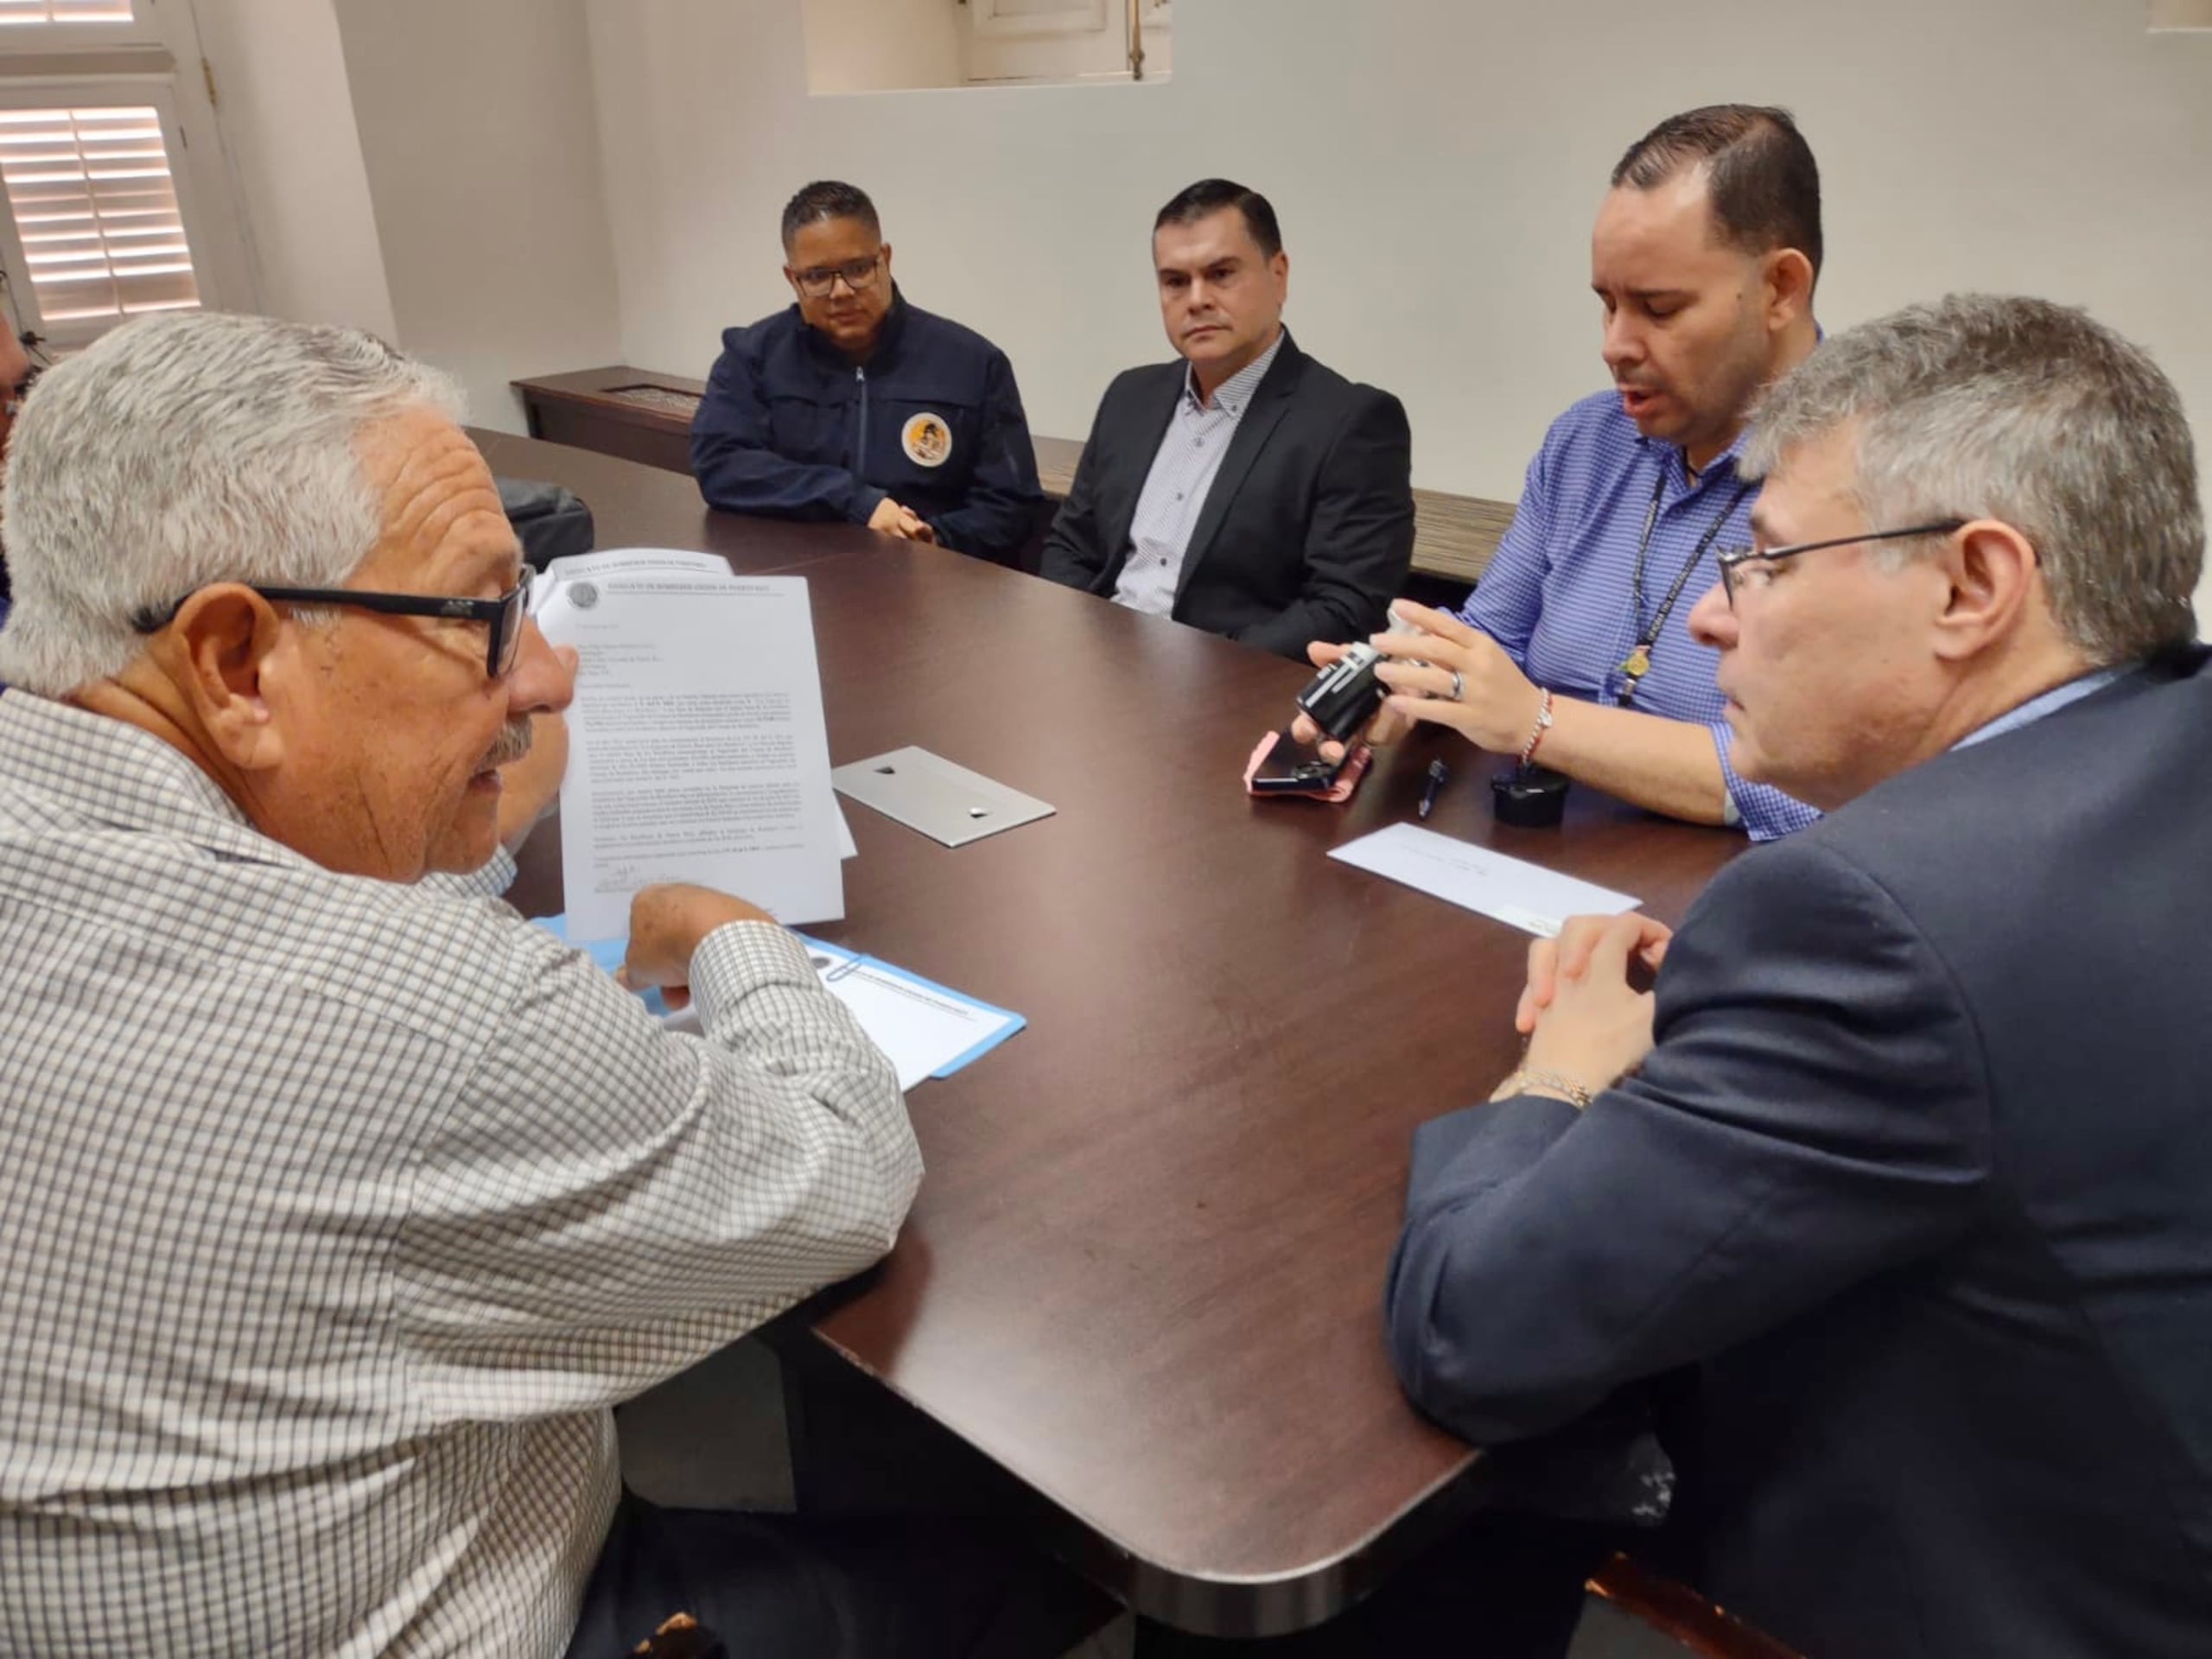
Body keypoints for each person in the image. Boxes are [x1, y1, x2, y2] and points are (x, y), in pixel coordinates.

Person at [0, 313, 1097, 1657]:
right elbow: (845, 1173)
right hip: (505, 1611)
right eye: (483, 617)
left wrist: (472, 810)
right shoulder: (433, 1019)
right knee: (1018, 1576)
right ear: (238, 664)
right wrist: (730, 932)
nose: (549, 675)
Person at [1387, 294, 2212, 1658]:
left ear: (1972, 587)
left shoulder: (1873, 921)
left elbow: (1471, 1328)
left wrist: (1563, 1070)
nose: (1716, 617)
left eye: (1765, 558)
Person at [1301, 107, 1821, 836]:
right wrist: (1406, 682)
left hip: (1731, 885)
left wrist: (1539, 722)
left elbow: (1808, 783)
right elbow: (1494, 637)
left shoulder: (1868, 480)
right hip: (1541, 848)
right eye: (1607, 304)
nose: (1615, 345)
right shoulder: (1588, 441)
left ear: (1781, 289)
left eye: (1658, 308)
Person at [1039, 179, 1414, 660]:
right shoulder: (1129, 396)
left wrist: (1197, 673)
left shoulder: (1352, 421)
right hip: (1097, 662)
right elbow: (1072, 546)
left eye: (1220, 274)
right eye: (1175, 281)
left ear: (1278, 275)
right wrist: (1083, 645)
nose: (1196, 299)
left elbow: (1345, 607)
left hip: (1232, 683)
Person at [690, 180, 1043, 565]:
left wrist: (932, 539)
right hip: (793, 571)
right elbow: (721, 464)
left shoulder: (973, 363)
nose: (841, 292)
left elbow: (1011, 504)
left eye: (858, 269)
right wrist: (856, 501)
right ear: (793, 279)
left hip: (930, 578)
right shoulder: (751, 356)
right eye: (818, 276)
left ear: (885, 259)